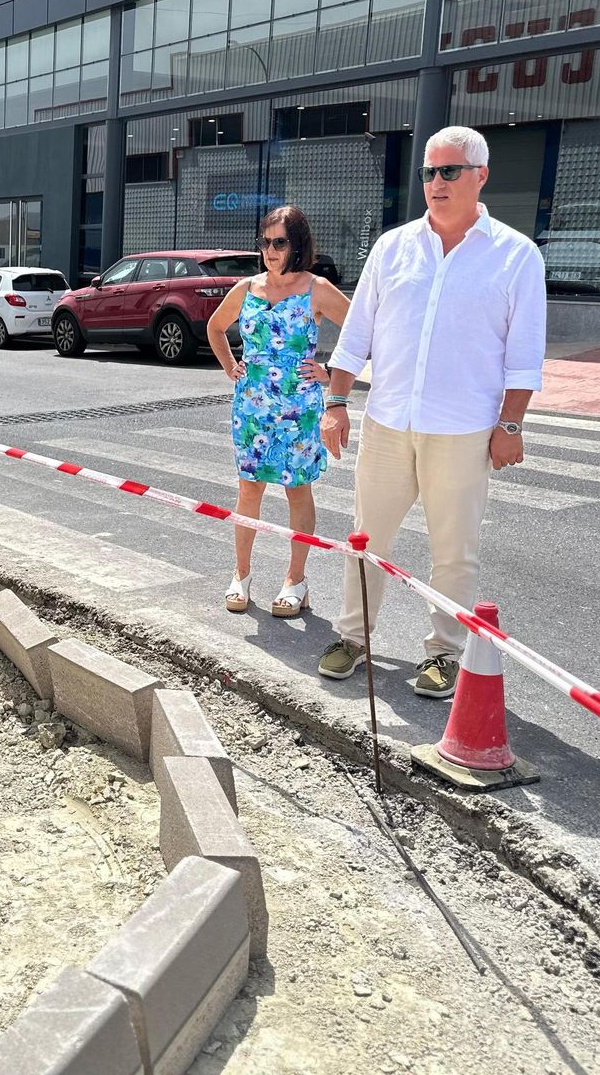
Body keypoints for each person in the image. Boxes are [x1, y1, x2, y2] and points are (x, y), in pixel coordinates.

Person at [316, 125, 546, 698]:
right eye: (428, 172)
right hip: (388, 423)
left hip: (463, 430)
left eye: (449, 171)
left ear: (480, 176)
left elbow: (523, 356)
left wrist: (510, 424)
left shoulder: (516, 256)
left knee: (454, 552)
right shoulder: (393, 247)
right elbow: (356, 334)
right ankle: (353, 636)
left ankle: (445, 652)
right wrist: (336, 403)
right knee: (367, 539)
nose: (435, 183)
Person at [206, 206, 350, 617]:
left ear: (297, 244)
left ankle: (295, 581)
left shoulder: (315, 288)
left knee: (296, 490)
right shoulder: (247, 288)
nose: (270, 250)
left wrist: (329, 372)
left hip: (298, 408)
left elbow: (363, 332)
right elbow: (216, 328)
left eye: (279, 242)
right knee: (249, 489)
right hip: (251, 406)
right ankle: (241, 574)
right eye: (265, 242)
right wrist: (229, 364)